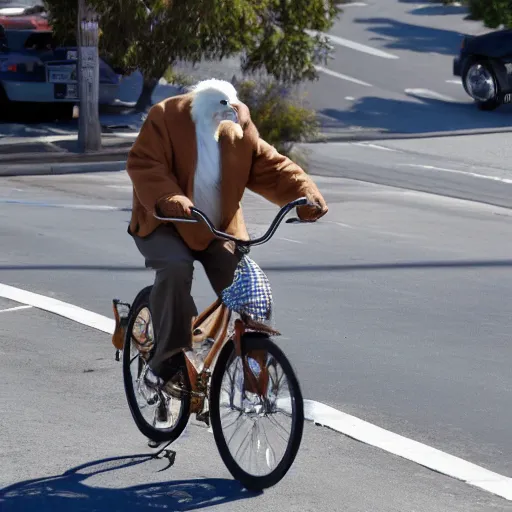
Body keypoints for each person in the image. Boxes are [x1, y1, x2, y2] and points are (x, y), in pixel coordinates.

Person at [126, 78, 328, 399]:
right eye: (219, 118)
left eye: (231, 117)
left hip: (214, 227)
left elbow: (272, 166)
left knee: (249, 289)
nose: (225, 125)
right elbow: (144, 164)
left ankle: (255, 381)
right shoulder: (166, 116)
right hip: (165, 222)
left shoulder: (238, 128)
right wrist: (171, 198)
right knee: (177, 269)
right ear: (201, 107)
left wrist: (306, 194)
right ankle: (164, 364)